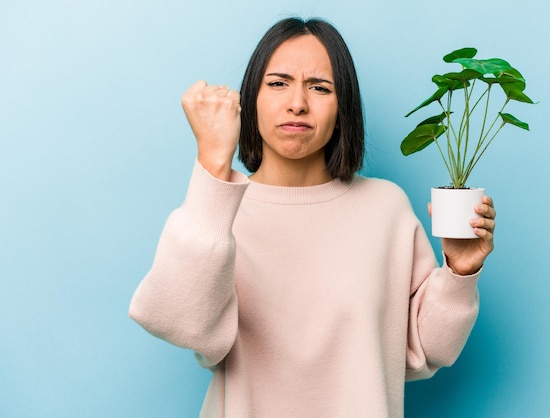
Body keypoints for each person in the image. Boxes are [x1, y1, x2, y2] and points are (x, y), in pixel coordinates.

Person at [129, 17, 496, 418]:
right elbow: (184, 325)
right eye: (278, 83)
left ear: (344, 108)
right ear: (251, 98)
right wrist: (213, 165)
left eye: (320, 87)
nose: (298, 103)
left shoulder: (384, 207)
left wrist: (459, 275)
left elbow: (424, 352)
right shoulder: (217, 209)